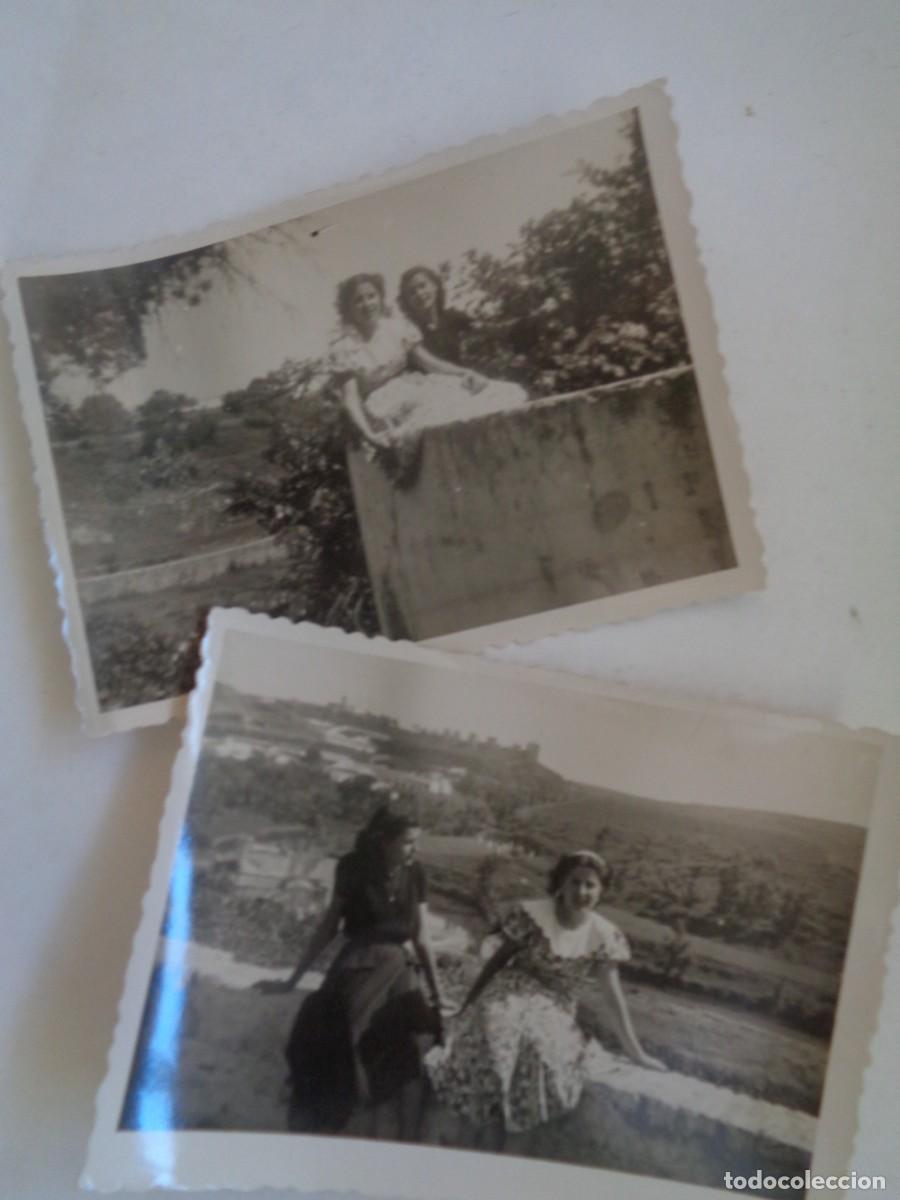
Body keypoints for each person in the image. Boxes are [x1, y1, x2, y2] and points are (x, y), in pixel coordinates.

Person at [426, 849, 664, 1150]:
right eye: (575, 882)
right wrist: (468, 1005)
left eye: (590, 885)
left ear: (601, 891)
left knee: (539, 1048)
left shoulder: (604, 935)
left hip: (555, 1003)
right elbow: (497, 962)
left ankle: (510, 1139)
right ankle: (477, 1130)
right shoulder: (532, 915)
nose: (581, 891)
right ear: (561, 883)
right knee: (495, 1033)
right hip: (511, 988)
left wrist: (636, 1051)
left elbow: (612, 996)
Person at [255, 807, 444, 1138]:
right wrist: (293, 980)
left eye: (417, 842)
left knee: (415, 1038)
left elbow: (422, 937)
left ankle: (405, 1140)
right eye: (407, 842)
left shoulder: (416, 873)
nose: (414, 849)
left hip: (399, 965)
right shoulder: (353, 868)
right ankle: (321, 1122)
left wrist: (438, 994)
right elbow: (330, 926)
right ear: (384, 841)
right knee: (339, 1033)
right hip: (360, 958)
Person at [329, 273, 527, 455]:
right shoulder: (344, 347)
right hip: (385, 404)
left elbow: (429, 363)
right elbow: (350, 399)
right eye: (358, 300)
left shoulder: (397, 327)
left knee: (484, 392)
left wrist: (464, 373)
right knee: (441, 414)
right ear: (348, 308)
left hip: (415, 385)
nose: (367, 304)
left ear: (380, 298)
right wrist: (368, 434)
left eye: (371, 296)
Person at [397, 265, 473, 366]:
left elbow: (483, 332)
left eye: (422, 286)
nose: (419, 293)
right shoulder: (407, 329)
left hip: (462, 373)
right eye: (412, 292)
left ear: (435, 286)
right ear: (407, 300)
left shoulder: (455, 318)